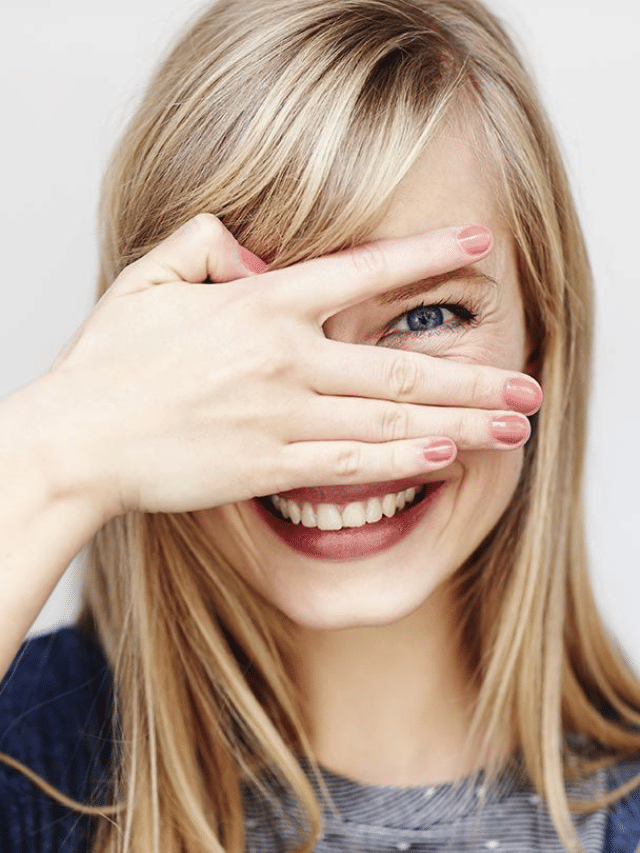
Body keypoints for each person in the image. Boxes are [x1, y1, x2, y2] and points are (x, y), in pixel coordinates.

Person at [1, 0, 640, 851]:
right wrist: (54, 453)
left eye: (427, 316)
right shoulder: (26, 763)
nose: (341, 438)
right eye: (252, 335)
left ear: (542, 344)